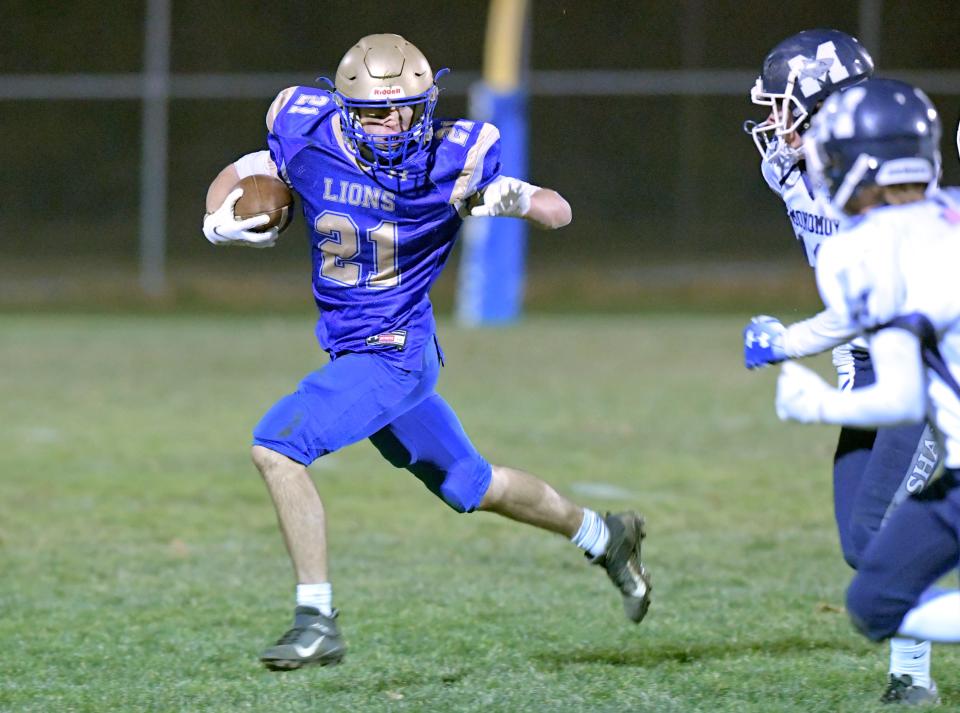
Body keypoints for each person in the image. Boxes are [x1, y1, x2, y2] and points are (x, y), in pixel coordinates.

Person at [201, 33, 651, 671]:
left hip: (395, 355)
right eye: (376, 112)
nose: (395, 122)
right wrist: (217, 219)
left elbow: (551, 208)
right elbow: (250, 168)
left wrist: (513, 200)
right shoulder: (308, 131)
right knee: (473, 484)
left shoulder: (450, 161)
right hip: (356, 355)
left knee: (276, 447)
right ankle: (604, 536)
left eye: (408, 107)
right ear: (346, 112)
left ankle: (316, 619)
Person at [742, 31, 941, 704]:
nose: (772, 124)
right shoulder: (791, 169)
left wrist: (793, 348)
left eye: (781, 107)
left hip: (922, 377)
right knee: (863, 544)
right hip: (862, 363)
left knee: (883, 535)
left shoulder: (896, 191)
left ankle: (911, 678)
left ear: (823, 106)